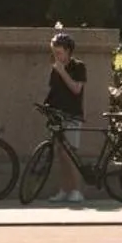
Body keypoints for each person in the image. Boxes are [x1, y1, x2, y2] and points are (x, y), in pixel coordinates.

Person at [44, 32, 87, 203]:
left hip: (72, 115)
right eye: (55, 53)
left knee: (70, 154)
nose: (57, 56)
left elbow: (77, 89)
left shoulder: (78, 66)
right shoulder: (56, 68)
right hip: (58, 115)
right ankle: (64, 189)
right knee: (61, 154)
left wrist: (62, 72)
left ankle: (76, 190)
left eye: (60, 53)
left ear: (68, 51)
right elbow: (54, 91)